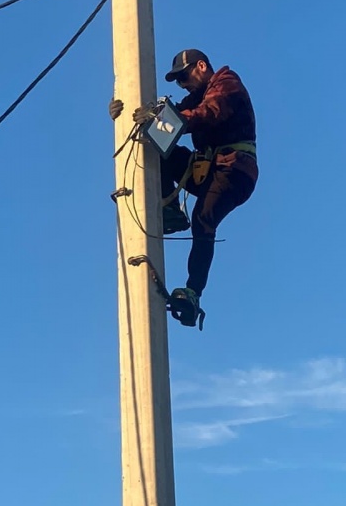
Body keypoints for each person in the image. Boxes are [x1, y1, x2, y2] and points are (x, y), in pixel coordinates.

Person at [110, 49, 257, 327]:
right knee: (159, 146)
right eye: (178, 81)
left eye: (184, 77)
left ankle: (193, 293)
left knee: (203, 220)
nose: (182, 84)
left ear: (201, 66)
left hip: (234, 169)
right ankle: (172, 212)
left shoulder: (227, 83)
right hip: (208, 169)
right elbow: (174, 116)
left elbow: (208, 112)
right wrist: (123, 114)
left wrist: (165, 120)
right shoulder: (196, 96)